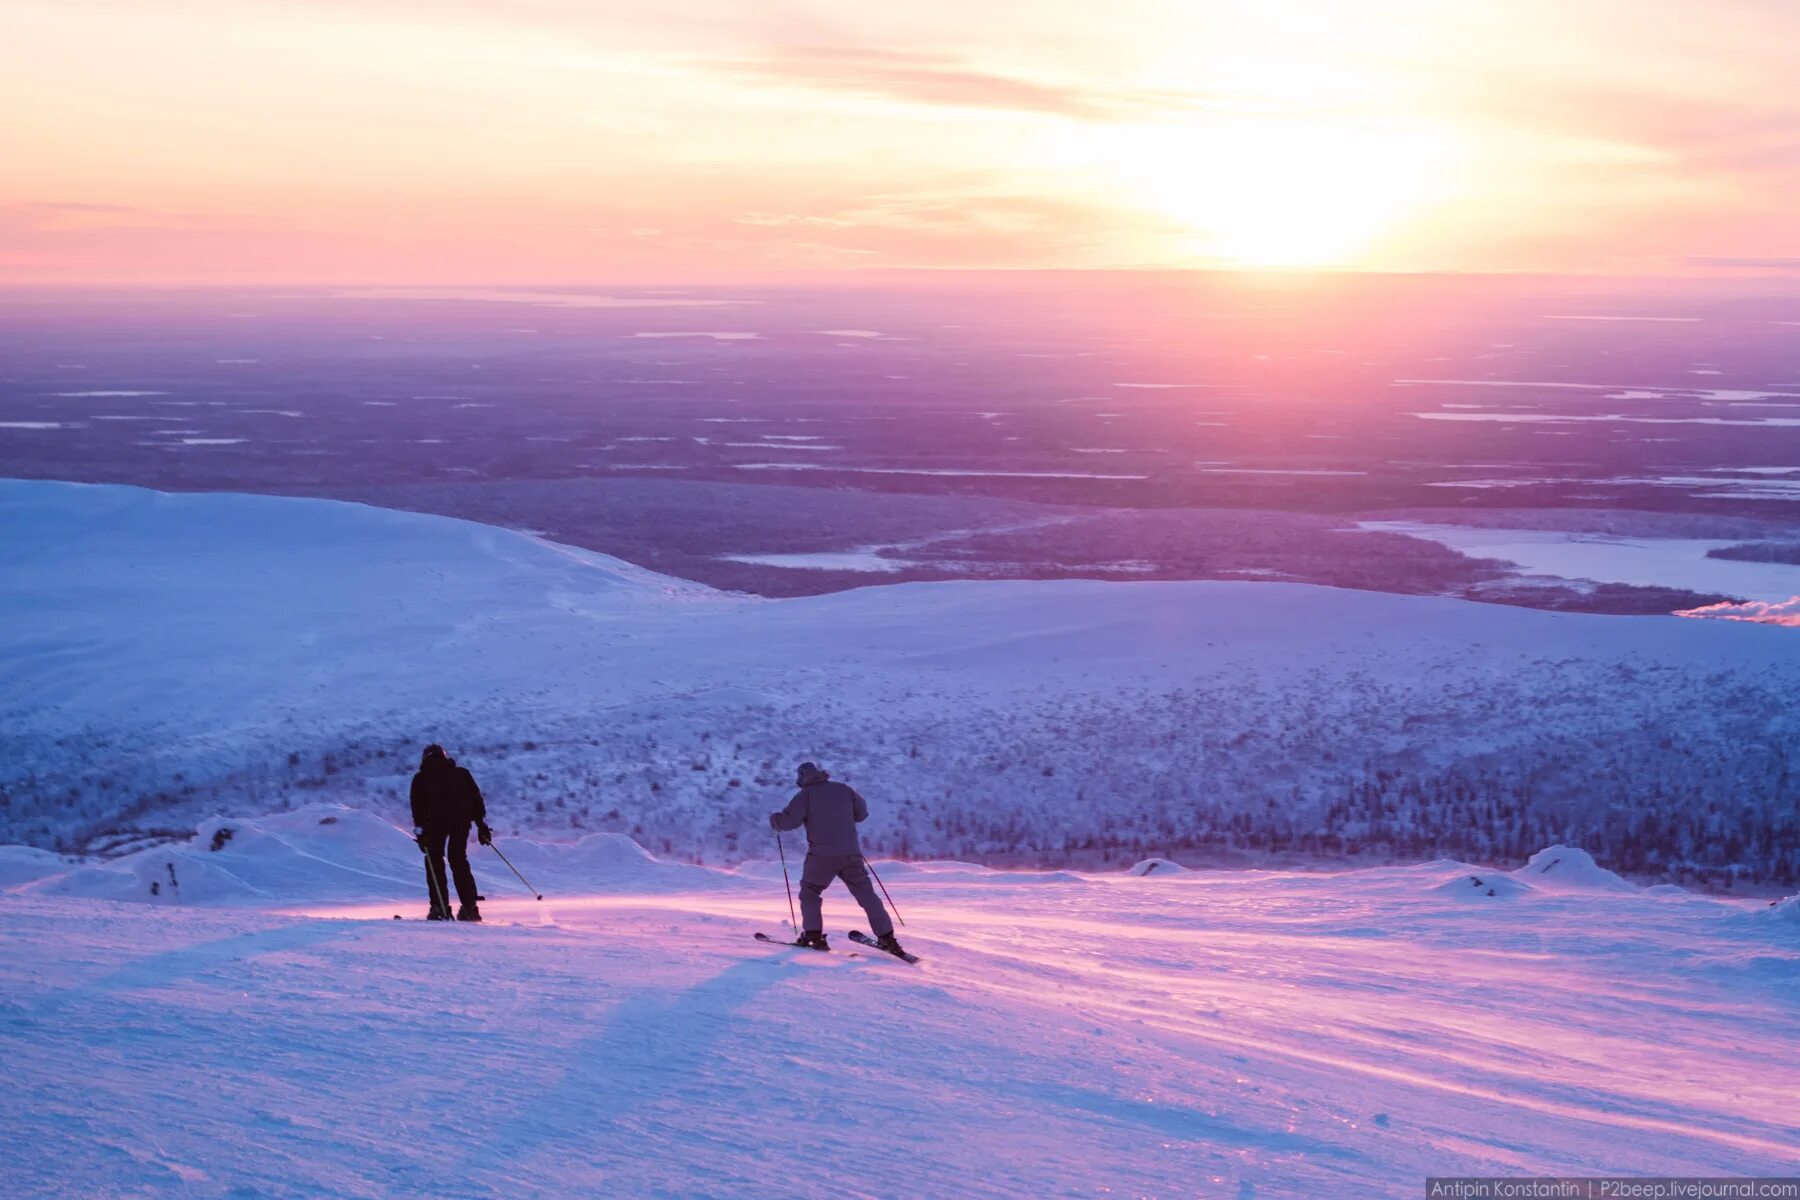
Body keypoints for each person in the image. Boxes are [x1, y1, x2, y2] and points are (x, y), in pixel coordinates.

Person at [769, 761, 904, 955]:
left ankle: (813, 936)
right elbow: (862, 814)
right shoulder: (844, 789)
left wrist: (775, 820)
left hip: (822, 856)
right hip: (851, 854)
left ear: (801, 778)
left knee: (810, 891)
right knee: (866, 894)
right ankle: (887, 938)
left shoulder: (805, 796)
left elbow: (789, 822)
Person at [410, 743, 492, 921]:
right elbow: (476, 801)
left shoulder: (420, 779)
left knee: (434, 860)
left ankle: (440, 908)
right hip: (460, 823)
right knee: (458, 860)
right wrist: (481, 826)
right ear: (444, 756)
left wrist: (420, 833)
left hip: (433, 826)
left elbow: (417, 809)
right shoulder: (461, 774)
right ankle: (470, 908)